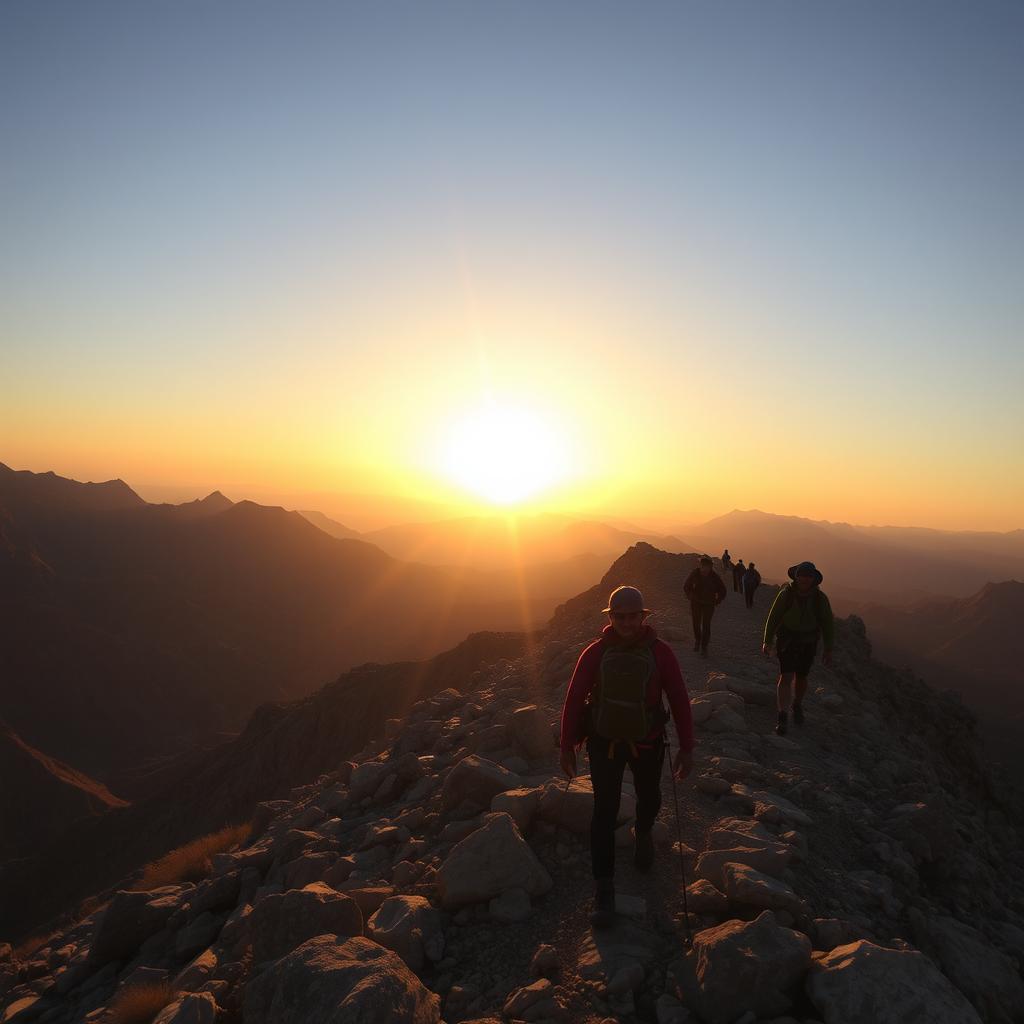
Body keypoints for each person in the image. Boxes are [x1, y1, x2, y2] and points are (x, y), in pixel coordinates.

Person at [559, 585, 694, 928]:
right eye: (620, 617)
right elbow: (574, 699)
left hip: (643, 741)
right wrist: (566, 745)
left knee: (649, 797)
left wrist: (688, 747)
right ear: (611, 617)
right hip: (607, 742)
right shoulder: (597, 652)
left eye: (633, 616)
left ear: (643, 617)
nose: (627, 623)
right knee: (604, 810)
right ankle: (604, 888)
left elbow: (679, 698)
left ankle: (644, 831)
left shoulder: (658, 653)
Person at [762, 561, 834, 735]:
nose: (804, 579)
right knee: (786, 676)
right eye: (802, 575)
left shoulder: (820, 599)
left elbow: (827, 624)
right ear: (796, 576)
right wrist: (767, 640)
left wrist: (828, 648)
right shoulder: (785, 594)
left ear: (814, 579)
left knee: (801, 677)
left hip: (808, 642)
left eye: (808, 576)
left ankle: (797, 704)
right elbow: (773, 617)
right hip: (787, 640)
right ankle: (783, 715)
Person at [683, 555, 727, 656]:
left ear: (710, 567)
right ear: (701, 566)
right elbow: (686, 586)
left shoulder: (714, 576)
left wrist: (717, 600)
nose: (705, 569)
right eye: (703, 566)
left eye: (707, 567)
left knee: (706, 625)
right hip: (696, 603)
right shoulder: (695, 574)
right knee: (696, 624)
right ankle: (698, 641)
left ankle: (704, 647)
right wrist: (690, 596)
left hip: (709, 604)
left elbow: (723, 590)